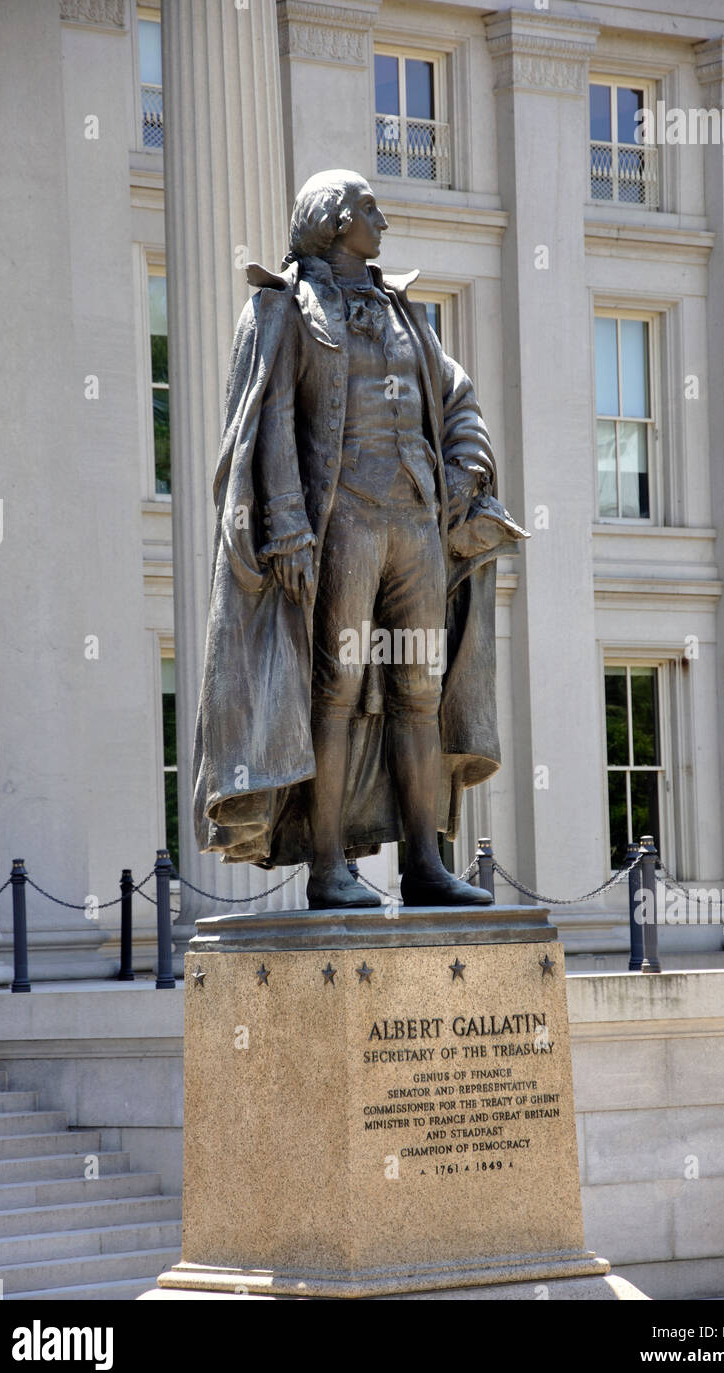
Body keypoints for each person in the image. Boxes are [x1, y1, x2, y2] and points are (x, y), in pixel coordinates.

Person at [192, 169, 526, 910]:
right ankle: (326, 867)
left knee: (419, 690)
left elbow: (456, 399)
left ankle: (424, 866)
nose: (383, 222)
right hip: (342, 524)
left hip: (415, 525)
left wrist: (467, 468)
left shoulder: (406, 315)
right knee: (337, 689)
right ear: (337, 221)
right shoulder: (282, 310)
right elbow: (267, 422)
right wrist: (283, 522)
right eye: (370, 209)